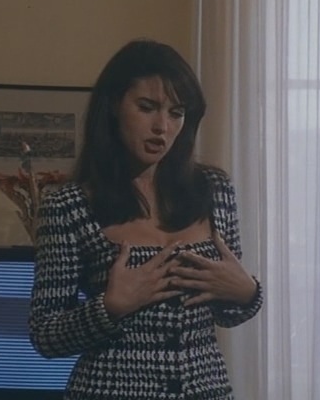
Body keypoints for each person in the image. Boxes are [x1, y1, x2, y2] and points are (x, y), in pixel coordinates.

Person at [28, 38, 263, 400]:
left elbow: (226, 314)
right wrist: (110, 307)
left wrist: (248, 292)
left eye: (176, 113)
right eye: (147, 107)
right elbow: (45, 335)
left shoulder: (213, 190)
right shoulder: (69, 205)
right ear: (114, 106)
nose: (162, 126)